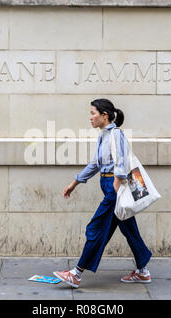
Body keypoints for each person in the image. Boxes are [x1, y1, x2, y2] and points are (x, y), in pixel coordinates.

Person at [53, 98, 152, 289]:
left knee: (96, 228)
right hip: (109, 184)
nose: (90, 117)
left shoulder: (116, 135)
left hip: (114, 187)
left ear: (104, 115)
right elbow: (95, 164)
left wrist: (114, 189)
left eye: (93, 113)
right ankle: (143, 271)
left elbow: (121, 164)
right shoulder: (103, 136)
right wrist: (75, 183)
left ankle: (76, 273)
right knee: (129, 229)